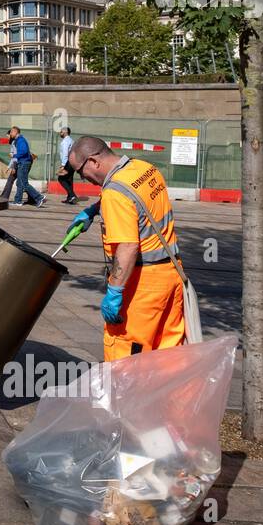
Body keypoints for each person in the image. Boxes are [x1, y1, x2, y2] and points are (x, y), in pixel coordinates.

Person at [64, 135, 186, 361]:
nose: (83, 179)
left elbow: (128, 246)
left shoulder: (114, 193)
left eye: (80, 172)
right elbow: (134, 197)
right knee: (168, 352)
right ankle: (168, 396)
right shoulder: (143, 168)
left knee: (125, 354)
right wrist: (95, 209)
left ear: (93, 162)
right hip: (172, 273)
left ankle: (126, 397)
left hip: (143, 286)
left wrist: (115, 291)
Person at [7, 126, 45, 207]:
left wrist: (14, 155)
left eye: (11, 132)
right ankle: (18, 201)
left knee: (24, 183)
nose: (10, 134)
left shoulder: (20, 140)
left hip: (24, 163)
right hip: (23, 162)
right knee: (20, 182)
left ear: (15, 132)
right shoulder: (18, 140)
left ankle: (39, 197)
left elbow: (24, 151)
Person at [57, 125, 79, 205]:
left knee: (61, 179)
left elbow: (65, 153)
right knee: (69, 180)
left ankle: (72, 195)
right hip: (72, 162)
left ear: (65, 132)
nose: (60, 133)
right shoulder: (71, 140)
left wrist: (63, 165)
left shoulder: (66, 141)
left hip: (68, 162)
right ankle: (70, 198)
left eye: (61, 131)